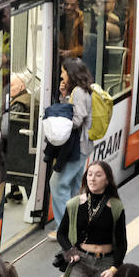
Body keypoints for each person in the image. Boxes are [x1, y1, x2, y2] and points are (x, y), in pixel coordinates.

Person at [47, 58, 95, 233]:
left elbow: (77, 118)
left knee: (57, 185)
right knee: (75, 187)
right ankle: (76, 225)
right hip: (83, 146)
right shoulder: (79, 90)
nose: (61, 75)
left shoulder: (79, 92)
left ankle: (64, 229)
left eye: (63, 72)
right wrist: (65, 96)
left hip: (77, 146)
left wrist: (58, 119)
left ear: (71, 73)